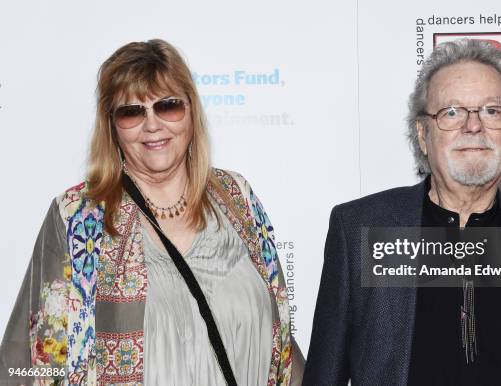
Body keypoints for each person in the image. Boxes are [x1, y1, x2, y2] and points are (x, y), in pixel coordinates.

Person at [303, 39, 501, 385]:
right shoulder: (359, 230)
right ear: (422, 134)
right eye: (451, 112)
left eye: (492, 111)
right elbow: (324, 376)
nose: (473, 126)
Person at [0, 39, 304, 386]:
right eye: (131, 111)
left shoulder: (238, 198)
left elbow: (283, 349)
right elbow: (34, 358)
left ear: (191, 111)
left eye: (168, 106)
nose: (152, 124)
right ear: (111, 124)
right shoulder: (78, 218)